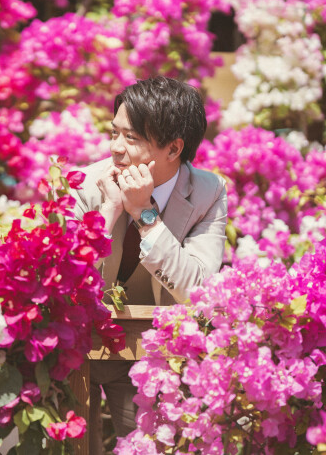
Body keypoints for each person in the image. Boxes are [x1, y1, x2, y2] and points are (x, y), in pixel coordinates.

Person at [72, 76, 228, 445]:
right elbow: (69, 281)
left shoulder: (208, 193)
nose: (115, 148)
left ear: (173, 149)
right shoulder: (84, 184)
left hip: (145, 358)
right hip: (75, 350)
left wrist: (145, 215)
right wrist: (109, 212)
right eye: (114, 133)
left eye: (131, 138)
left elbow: (196, 289)